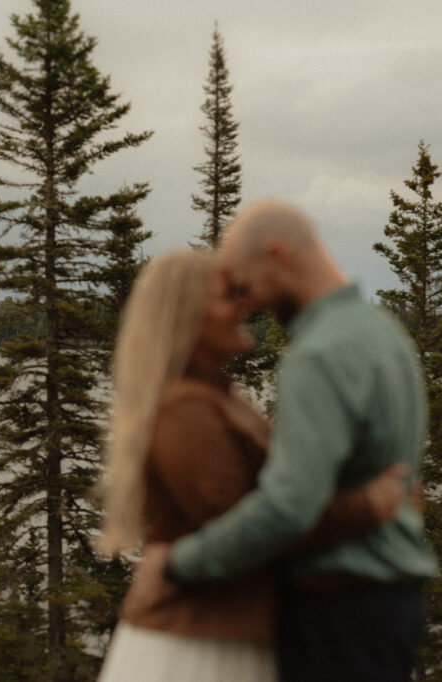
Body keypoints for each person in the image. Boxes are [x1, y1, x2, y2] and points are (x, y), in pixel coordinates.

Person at [96, 249, 410, 682]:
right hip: (195, 650)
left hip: (230, 637)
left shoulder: (219, 399)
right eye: (230, 296)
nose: (248, 305)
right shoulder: (184, 409)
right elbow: (253, 527)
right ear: (187, 314)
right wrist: (367, 506)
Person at [158, 200, 439, 681]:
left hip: (338, 612)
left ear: (276, 253)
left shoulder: (317, 355)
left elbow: (289, 506)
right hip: (393, 602)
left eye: (244, 285)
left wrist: (177, 564)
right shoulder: (383, 333)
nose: (247, 304)